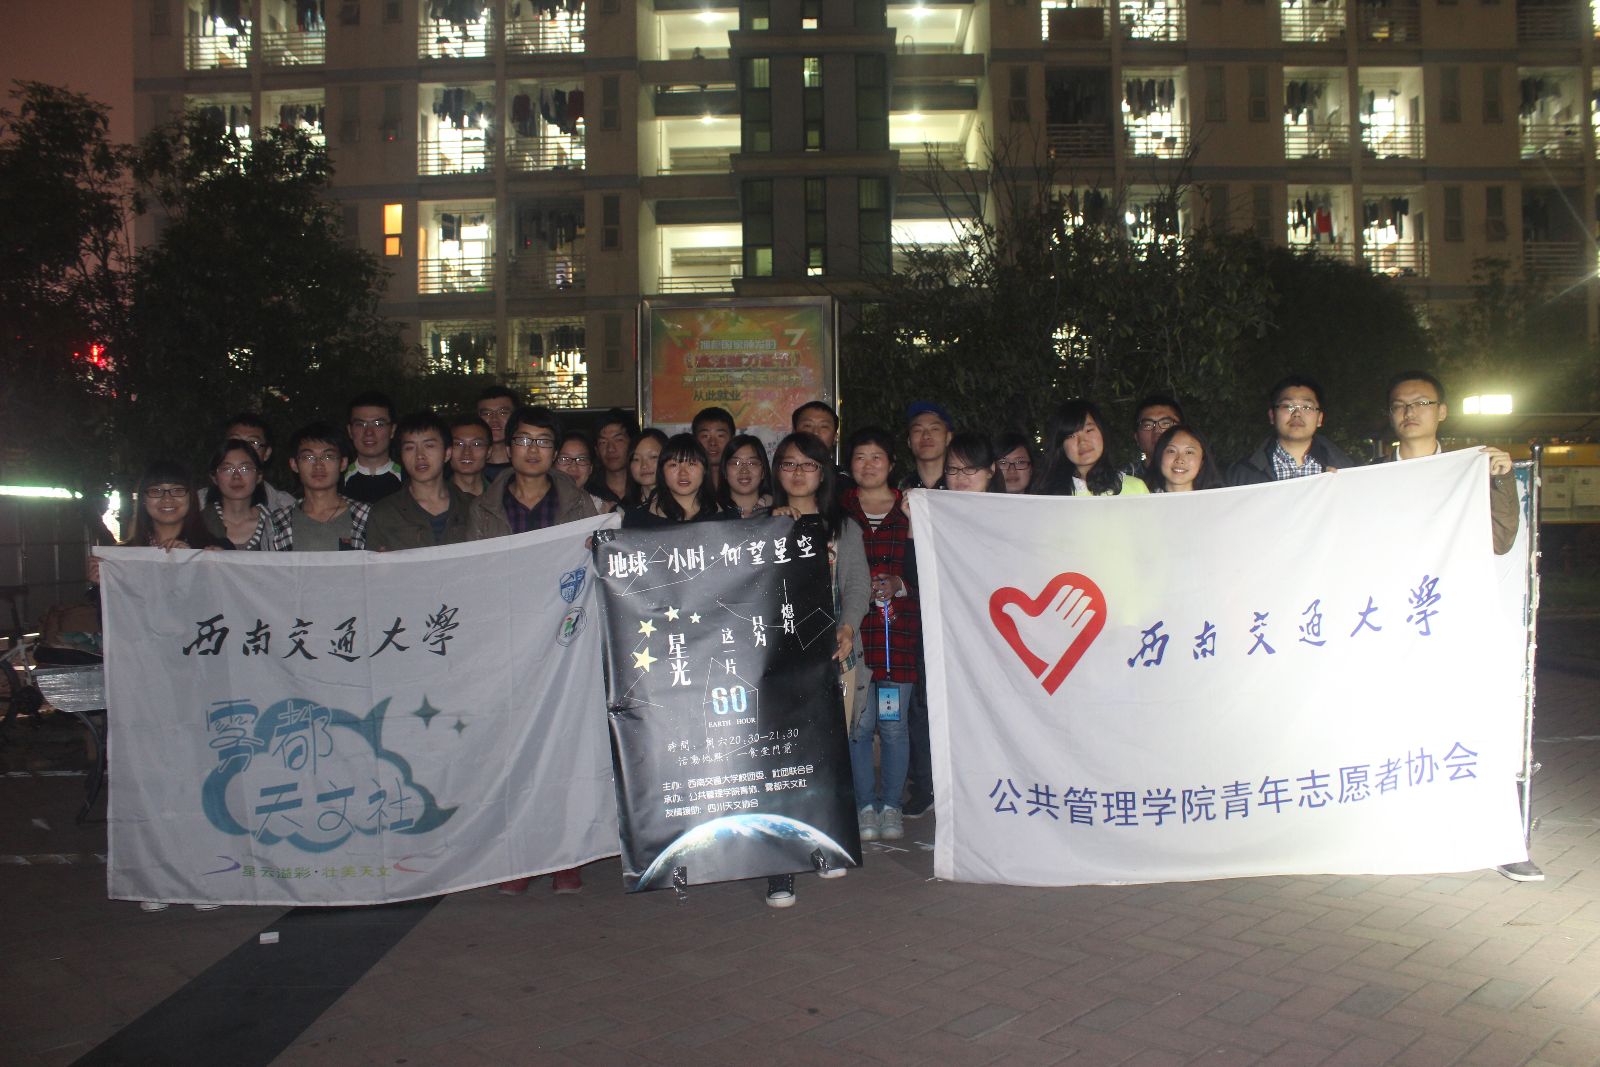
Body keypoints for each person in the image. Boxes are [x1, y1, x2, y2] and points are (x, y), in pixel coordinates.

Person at [466, 405, 597, 894]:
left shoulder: (581, 505)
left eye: (543, 441)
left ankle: (565, 855)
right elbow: (473, 577)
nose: (533, 450)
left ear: (555, 451)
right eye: (524, 440)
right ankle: (519, 856)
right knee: (512, 752)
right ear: (509, 446)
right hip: (506, 644)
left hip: (565, 643)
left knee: (563, 749)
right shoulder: (483, 508)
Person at [766, 431, 870, 907]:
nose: (798, 473)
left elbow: (857, 586)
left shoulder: (842, 527)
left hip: (831, 658)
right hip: (775, 664)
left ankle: (823, 845)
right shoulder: (760, 523)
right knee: (779, 763)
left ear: (823, 473)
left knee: (827, 759)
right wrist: (768, 528)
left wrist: (848, 625)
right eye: (789, 463)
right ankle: (779, 867)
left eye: (808, 464)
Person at [840, 428, 917, 844]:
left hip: (897, 636)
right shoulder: (839, 509)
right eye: (859, 457)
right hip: (853, 636)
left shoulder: (912, 510)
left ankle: (891, 806)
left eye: (876, 457)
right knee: (858, 724)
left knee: (893, 725)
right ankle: (863, 806)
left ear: (891, 462)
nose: (868, 465)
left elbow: (934, 571)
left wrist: (900, 585)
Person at [1382, 370, 1518, 555]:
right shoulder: (1370, 476)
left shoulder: (1469, 472)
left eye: (1421, 403)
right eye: (1399, 405)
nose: (1410, 412)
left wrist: (1501, 479)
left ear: (1442, 412)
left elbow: (1500, 542)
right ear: (1390, 416)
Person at [364, 412, 472, 551]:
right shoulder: (384, 513)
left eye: (429, 446)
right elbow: (372, 562)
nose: (420, 455)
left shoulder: (472, 507)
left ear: (447, 453)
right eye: (410, 448)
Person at [1226, 375, 1359, 486]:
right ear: (1272, 416)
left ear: (1319, 418)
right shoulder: (1241, 474)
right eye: (1287, 406)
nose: (1297, 414)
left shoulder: (1348, 471)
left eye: (1306, 407)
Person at [272, 422, 371, 550]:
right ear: (294, 464)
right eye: (308, 457)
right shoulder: (278, 522)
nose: (318, 465)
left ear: (343, 463)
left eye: (328, 457)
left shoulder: (366, 516)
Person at [1034, 400, 1151, 497]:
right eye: (1071, 436)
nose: (1082, 441)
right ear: (1061, 445)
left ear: (1102, 432)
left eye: (1089, 430)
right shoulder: (1047, 495)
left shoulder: (1135, 489)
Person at [622, 434, 723, 526]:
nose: (683, 473)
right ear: (662, 471)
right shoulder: (636, 519)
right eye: (673, 465)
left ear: (704, 469)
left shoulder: (725, 518)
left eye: (691, 464)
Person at [203, 439, 284, 549]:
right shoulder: (200, 523)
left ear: (259, 476)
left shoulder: (279, 525)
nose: (236, 476)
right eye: (227, 469)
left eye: (245, 469)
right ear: (214, 477)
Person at [222, 412, 296, 511]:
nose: (242, 449)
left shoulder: (286, 507)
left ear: (267, 453)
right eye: (235, 442)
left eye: (253, 442)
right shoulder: (201, 503)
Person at [342, 391, 404, 504]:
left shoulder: (409, 481)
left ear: (392, 430)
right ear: (350, 431)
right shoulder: (336, 482)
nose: (369, 432)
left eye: (378, 424)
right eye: (360, 424)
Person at [793, 400, 853, 494]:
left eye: (824, 427)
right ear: (794, 432)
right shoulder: (783, 476)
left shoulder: (847, 485)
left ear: (835, 437)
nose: (815, 432)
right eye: (808, 425)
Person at [1143, 424, 1224, 493]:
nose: (1179, 460)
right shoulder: (1143, 497)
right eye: (1171, 451)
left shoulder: (1217, 501)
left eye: (1189, 452)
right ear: (1160, 456)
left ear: (1202, 461)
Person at [589, 409, 638, 510]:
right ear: (596, 450)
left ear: (633, 444)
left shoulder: (645, 489)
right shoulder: (589, 493)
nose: (610, 449)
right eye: (603, 442)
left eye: (618, 440)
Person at [1124, 395, 1184, 476]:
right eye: (1147, 425)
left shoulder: (1200, 476)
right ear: (1137, 437)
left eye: (1166, 423)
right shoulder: (1122, 479)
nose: (1157, 431)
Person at [718, 434, 773, 518]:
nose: (744, 470)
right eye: (736, 463)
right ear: (724, 471)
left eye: (752, 463)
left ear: (763, 472)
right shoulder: (712, 514)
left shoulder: (778, 513)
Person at [900, 401, 952, 491]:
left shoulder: (964, 485)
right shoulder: (900, 490)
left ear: (948, 438)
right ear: (909, 441)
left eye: (934, 429)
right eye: (917, 430)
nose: (926, 436)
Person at [556, 431, 608, 513]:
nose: (573, 468)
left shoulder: (604, 511)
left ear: (590, 468)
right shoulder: (540, 505)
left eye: (581, 459)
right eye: (564, 459)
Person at [476, 386, 520, 482]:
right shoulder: (467, 467)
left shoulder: (529, 466)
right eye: (487, 414)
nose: (494, 420)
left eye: (503, 413)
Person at [447, 413, 493, 497]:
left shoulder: (501, 495)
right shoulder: (434, 497)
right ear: (447, 451)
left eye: (476, 444)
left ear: (489, 451)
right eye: (459, 444)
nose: (466, 452)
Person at [623, 429, 669, 509]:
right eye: (636, 459)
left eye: (653, 457)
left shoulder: (683, 504)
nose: (644, 465)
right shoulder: (623, 510)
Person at [692, 406, 736, 486]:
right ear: (695, 440)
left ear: (732, 439)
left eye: (720, 436)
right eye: (705, 436)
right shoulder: (685, 482)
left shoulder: (743, 481)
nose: (712, 443)